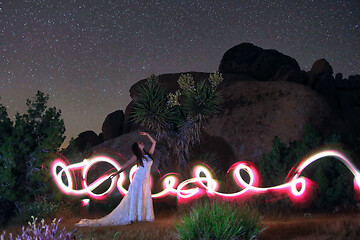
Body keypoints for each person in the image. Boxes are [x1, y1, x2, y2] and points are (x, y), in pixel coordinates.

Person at [75, 131, 156, 226]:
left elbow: (154, 142)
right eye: (139, 143)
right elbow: (126, 165)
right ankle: (133, 217)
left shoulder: (148, 154)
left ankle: (142, 216)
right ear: (137, 147)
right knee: (136, 196)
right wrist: (117, 173)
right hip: (138, 179)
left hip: (145, 180)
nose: (141, 143)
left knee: (143, 196)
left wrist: (146, 134)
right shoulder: (136, 156)